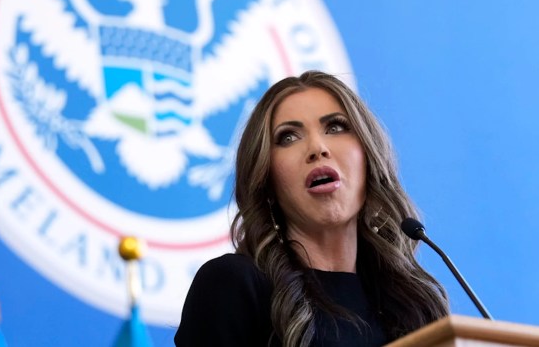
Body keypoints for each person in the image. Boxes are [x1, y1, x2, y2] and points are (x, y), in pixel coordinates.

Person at [175, 71, 449, 346]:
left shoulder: (416, 305)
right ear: (266, 180)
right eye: (288, 137)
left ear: (369, 158)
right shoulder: (233, 285)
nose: (317, 148)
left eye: (335, 127)